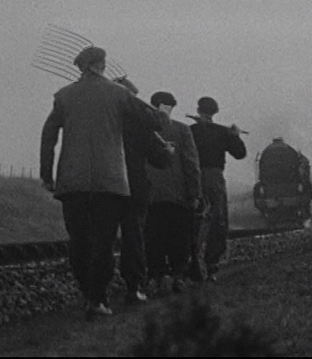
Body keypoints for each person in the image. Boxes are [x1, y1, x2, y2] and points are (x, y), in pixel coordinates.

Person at [41, 47, 163, 318]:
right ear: (101, 65)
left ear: (81, 67)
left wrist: (46, 174)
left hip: (72, 181)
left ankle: (88, 293)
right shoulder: (119, 94)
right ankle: (97, 299)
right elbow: (155, 119)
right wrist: (159, 114)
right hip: (109, 181)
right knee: (103, 242)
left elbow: (48, 135)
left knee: (79, 240)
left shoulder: (64, 96)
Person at [113, 76, 172, 305]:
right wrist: (167, 151)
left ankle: (95, 291)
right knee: (134, 235)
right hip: (133, 183)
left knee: (102, 235)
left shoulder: (104, 119)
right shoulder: (141, 121)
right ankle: (133, 286)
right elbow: (159, 158)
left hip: (103, 183)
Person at [143, 91, 201, 294]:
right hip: (178, 196)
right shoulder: (182, 130)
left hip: (150, 196)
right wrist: (194, 193)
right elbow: (191, 163)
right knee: (179, 237)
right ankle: (178, 276)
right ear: (170, 107)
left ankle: (155, 277)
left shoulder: (143, 130)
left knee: (153, 238)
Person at [189, 96, 247, 282]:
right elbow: (240, 154)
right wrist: (235, 135)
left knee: (194, 221)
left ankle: (190, 263)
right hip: (214, 178)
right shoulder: (223, 133)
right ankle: (211, 266)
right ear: (215, 112)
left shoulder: (190, 131)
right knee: (217, 222)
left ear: (198, 111)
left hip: (192, 177)